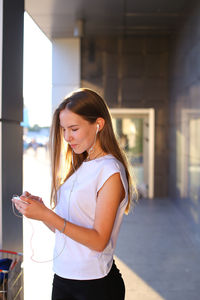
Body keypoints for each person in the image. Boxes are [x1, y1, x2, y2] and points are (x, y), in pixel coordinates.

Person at [12, 88, 136, 300]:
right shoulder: (80, 166)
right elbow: (64, 229)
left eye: (74, 129)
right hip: (62, 277)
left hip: (95, 285)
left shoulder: (110, 171)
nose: (67, 137)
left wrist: (47, 215)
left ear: (98, 124)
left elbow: (98, 241)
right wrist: (40, 211)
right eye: (63, 129)